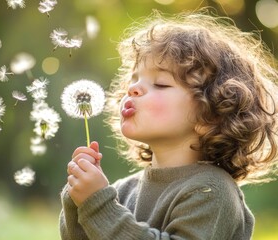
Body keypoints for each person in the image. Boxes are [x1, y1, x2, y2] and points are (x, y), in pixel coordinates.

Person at [59, 9, 278, 240]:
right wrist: (78, 199)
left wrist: (98, 204)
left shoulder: (212, 191)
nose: (133, 89)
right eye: (133, 80)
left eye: (161, 84)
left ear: (210, 116)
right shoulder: (123, 190)